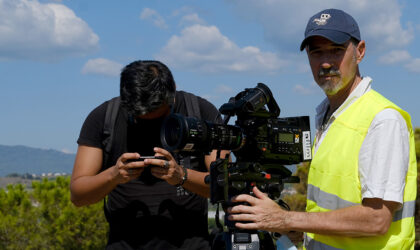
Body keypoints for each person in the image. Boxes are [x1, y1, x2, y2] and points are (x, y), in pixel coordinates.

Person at [227, 8, 417, 249]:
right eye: (316, 52)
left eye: (336, 51)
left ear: (360, 51)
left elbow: (376, 219)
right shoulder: (328, 117)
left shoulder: (382, 120)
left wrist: (285, 218)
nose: (326, 62)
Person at [70, 60, 226, 250]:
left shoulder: (201, 113)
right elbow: (78, 195)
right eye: (138, 119)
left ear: (173, 92)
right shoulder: (103, 118)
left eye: (161, 117)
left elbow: (225, 186)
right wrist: (113, 176)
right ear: (125, 100)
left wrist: (182, 176)